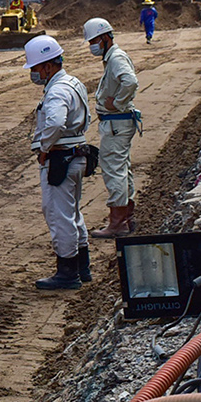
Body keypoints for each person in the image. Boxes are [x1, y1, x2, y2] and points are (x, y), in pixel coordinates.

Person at [24, 34, 92, 290]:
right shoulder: (73, 83)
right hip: (76, 155)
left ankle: (67, 273)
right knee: (73, 213)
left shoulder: (57, 91)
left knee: (58, 215)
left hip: (61, 159)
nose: (33, 73)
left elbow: (54, 123)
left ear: (48, 66)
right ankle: (82, 267)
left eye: (35, 68)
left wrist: (44, 148)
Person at [83, 17, 140, 238]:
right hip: (118, 123)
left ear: (106, 37)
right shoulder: (113, 57)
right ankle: (127, 217)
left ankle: (117, 223)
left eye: (95, 40)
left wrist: (117, 103)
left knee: (113, 170)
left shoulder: (116, 58)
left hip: (117, 123)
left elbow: (131, 82)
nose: (92, 46)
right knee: (122, 168)